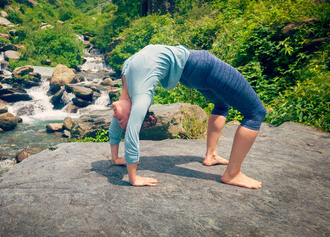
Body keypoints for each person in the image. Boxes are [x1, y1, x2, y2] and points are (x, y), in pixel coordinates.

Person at [109, 44, 266, 189]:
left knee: (222, 104)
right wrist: (133, 178)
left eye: (117, 118)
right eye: (121, 119)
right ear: (134, 111)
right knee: (256, 113)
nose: (115, 115)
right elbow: (132, 133)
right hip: (203, 66)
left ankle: (211, 155)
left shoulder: (127, 88)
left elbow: (119, 127)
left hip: (189, 73)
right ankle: (233, 173)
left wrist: (116, 158)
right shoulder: (141, 98)